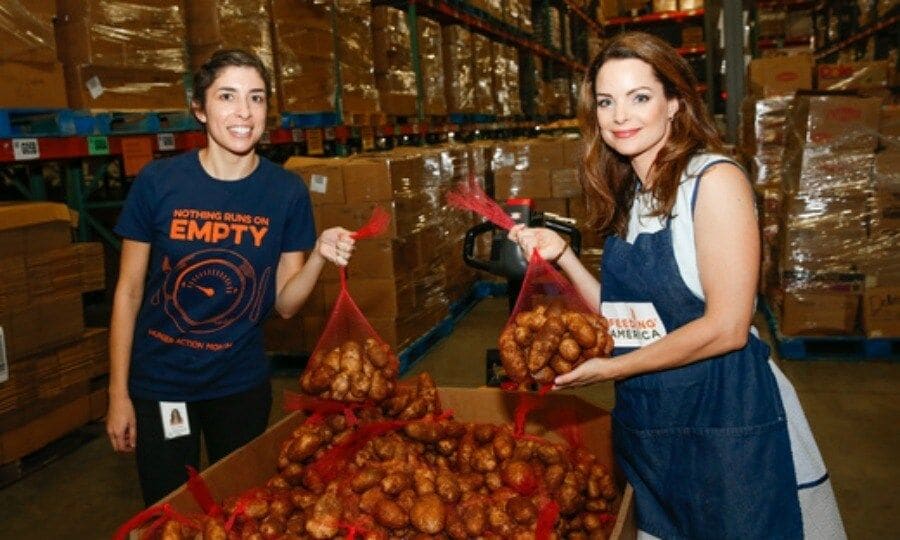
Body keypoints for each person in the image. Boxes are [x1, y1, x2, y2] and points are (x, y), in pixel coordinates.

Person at [509, 32, 845, 539]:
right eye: (606, 101)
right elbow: (628, 321)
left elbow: (728, 328)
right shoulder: (633, 196)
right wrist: (567, 260)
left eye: (640, 97)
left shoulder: (713, 182)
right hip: (653, 427)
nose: (620, 115)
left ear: (674, 104)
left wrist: (610, 368)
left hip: (728, 424)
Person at [105, 49, 356, 506]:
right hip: (161, 383)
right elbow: (129, 292)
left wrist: (319, 254)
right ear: (199, 108)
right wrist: (117, 393)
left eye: (256, 98)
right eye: (227, 96)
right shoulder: (159, 183)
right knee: (170, 514)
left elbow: (285, 303)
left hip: (238, 383)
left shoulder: (285, 192)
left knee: (241, 510)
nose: (244, 112)